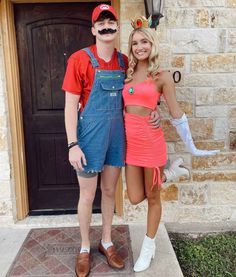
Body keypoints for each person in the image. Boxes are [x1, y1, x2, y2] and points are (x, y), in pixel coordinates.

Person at [62, 5, 164, 277]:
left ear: (117, 28)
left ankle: (106, 241)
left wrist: (157, 112)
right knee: (87, 194)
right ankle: (85, 247)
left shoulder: (123, 62)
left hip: (117, 138)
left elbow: (142, 91)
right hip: (88, 137)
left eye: (111, 22)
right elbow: (70, 106)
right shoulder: (79, 60)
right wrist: (73, 144)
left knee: (109, 192)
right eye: (101, 23)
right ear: (93, 29)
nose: (106, 27)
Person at [122, 15, 219, 273]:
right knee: (133, 197)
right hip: (131, 146)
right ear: (130, 48)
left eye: (144, 41)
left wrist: (193, 147)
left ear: (152, 44)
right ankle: (169, 174)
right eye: (134, 43)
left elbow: (176, 113)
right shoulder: (127, 73)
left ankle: (148, 247)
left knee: (153, 198)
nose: (139, 47)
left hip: (152, 145)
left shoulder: (162, 76)